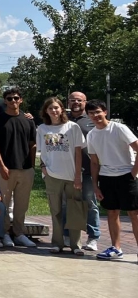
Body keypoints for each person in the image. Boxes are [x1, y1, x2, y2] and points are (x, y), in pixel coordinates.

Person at [85, 100, 138, 260]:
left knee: (134, 213)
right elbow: (94, 162)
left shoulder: (119, 128)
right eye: (91, 113)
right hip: (106, 177)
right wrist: (96, 185)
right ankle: (116, 248)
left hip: (126, 176)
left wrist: (133, 173)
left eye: (98, 112)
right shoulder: (92, 134)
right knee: (112, 212)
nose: (95, 116)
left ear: (105, 112)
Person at [0, 87, 38, 247]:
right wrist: (1, 165)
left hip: (26, 169)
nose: (13, 101)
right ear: (5, 101)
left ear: (21, 100)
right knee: (4, 204)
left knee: (22, 205)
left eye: (16, 98)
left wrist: (31, 167)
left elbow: (32, 144)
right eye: (9, 99)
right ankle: (4, 234)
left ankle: (19, 233)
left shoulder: (28, 120)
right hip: (6, 169)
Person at [37, 97, 87, 255]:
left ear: (62, 109)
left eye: (57, 108)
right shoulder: (42, 129)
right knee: (56, 211)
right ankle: (57, 243)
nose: (54, 111)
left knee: (74, 209)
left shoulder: (72, 127)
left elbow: (78, 153)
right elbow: (42, 152)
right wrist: (43, 168)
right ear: (46, 111)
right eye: (50, 108)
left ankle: (76, 245)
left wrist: (78, 175)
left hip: (72, 175)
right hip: (52, 175)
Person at [67, 91, 100, 251]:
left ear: (85, 102)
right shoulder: (62, 120)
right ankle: (67, 236)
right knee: (67, 203)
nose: (75, 102)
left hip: (88, 170)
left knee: (90, 203)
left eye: (79, 100)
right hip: (66, 171)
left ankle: (93, 237)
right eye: (72, 100)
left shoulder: (92, 120)